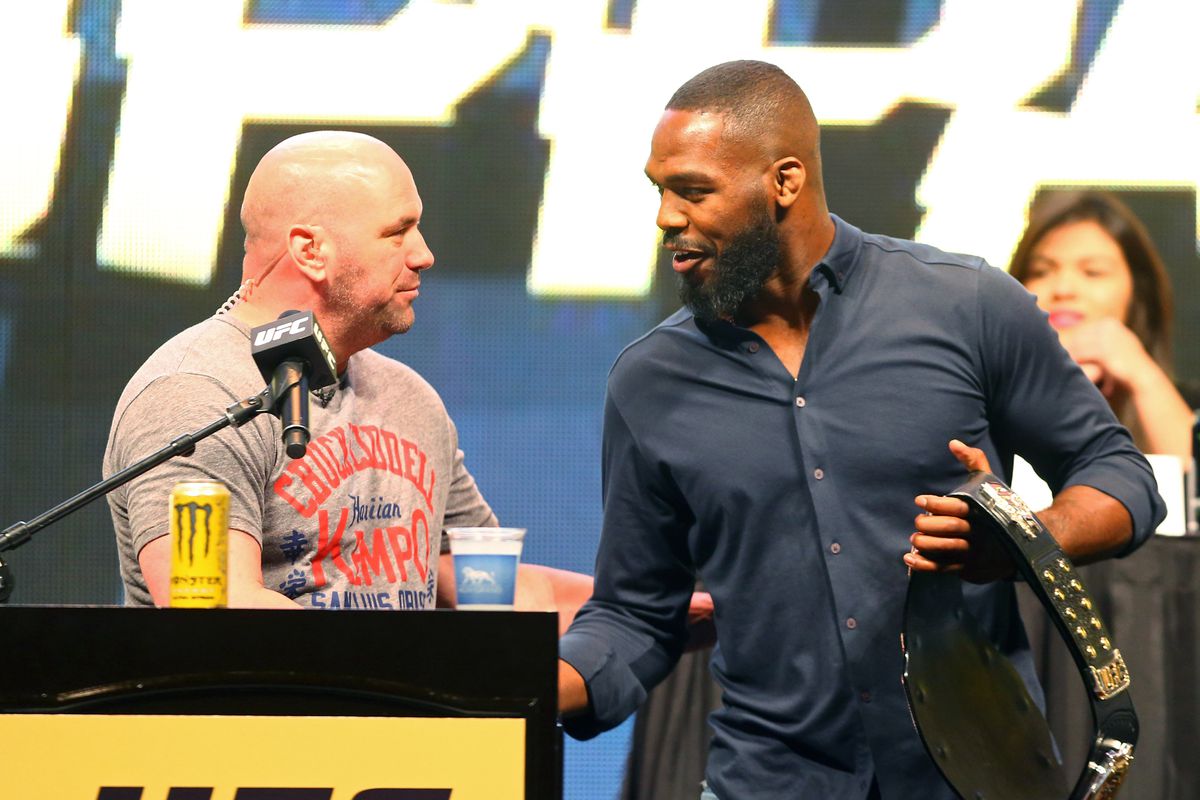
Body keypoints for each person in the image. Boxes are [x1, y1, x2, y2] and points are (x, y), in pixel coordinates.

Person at [555, 61, 1164, 799]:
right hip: (768, 781)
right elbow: (634, 612)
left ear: (784, 182)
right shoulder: (649, 382)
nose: (666, 218)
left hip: (976, 776)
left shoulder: (966, 305)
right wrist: (510, 691)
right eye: (660, 191)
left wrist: (1025, 540)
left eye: (692, 191)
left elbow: (1121, 474)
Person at [104, 130, 590, 620]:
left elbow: (484, 585)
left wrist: (637, 611)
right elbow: (217, 615)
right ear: (311, 250)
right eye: (397, 232)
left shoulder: (408, 398)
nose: (423, 254)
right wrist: (404, 673)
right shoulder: (195, 395)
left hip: (399, 696)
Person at [1009, 190, 1193, 459]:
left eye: (1093, 272)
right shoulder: (981, 403)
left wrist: (1142, 375)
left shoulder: (1184, 404)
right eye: (1041, 272)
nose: (1063, 289)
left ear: (1137, 294)